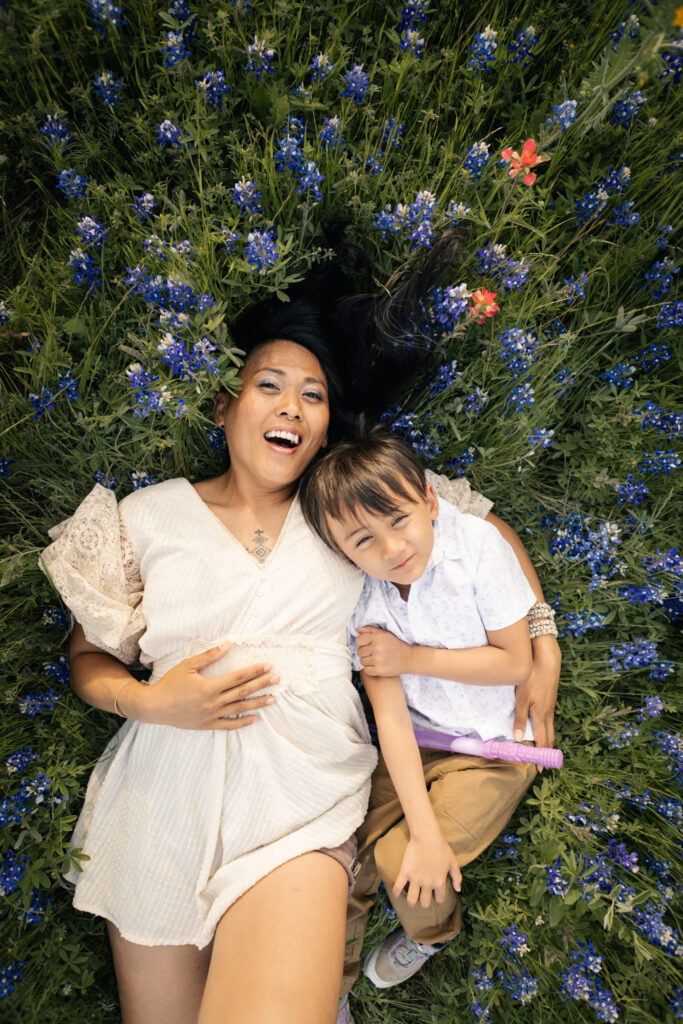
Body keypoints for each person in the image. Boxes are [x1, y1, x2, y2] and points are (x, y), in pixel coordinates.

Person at [40, 256, 559, 1024]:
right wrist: (151, 701)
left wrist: (540, 643)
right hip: (162, 797)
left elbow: (477, 527)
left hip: (301, 796)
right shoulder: (147, 515)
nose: (292, 406)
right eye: (270, 386)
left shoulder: (343, 510)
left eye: (312, 396)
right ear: (224, 406)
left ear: (322, 427)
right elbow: (87, 658)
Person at [299, 428, 559, 1020]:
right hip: (417, 743)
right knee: (343, 860)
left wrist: (411, 658)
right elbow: (389, 720)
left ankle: (431, 933)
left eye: (399, 518)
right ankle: (327, 988)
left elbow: (515, 662)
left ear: (430, 501)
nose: (391, 547)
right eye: (364, 539)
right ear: (344, 552)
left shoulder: (475, 550)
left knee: (405, 863)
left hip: (496, 748)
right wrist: (422, 822)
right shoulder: (364, 604)